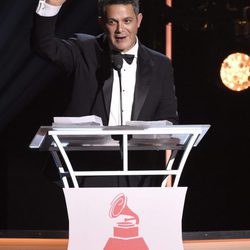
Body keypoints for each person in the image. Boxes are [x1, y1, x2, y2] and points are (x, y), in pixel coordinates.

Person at [31, 0, 178, 187]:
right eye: (112, 22)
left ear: (139, 20)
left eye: (127, 21)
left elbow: (169, 120)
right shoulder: (83, 51)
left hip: (138, 175)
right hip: (82, 173)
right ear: (101, 22)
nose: (120, 29)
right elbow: (42, 45)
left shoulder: (160, 64)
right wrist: (51, 4)